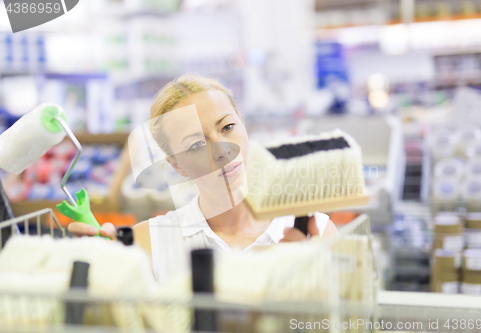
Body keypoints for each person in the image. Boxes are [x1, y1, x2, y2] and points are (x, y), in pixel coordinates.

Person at [69, 75, 338, 283]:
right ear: (176, 164)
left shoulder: (314, 232)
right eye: (196, 144)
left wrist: (311, 282)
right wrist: (94, 272)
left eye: (228, 127)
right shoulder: (146, 244)